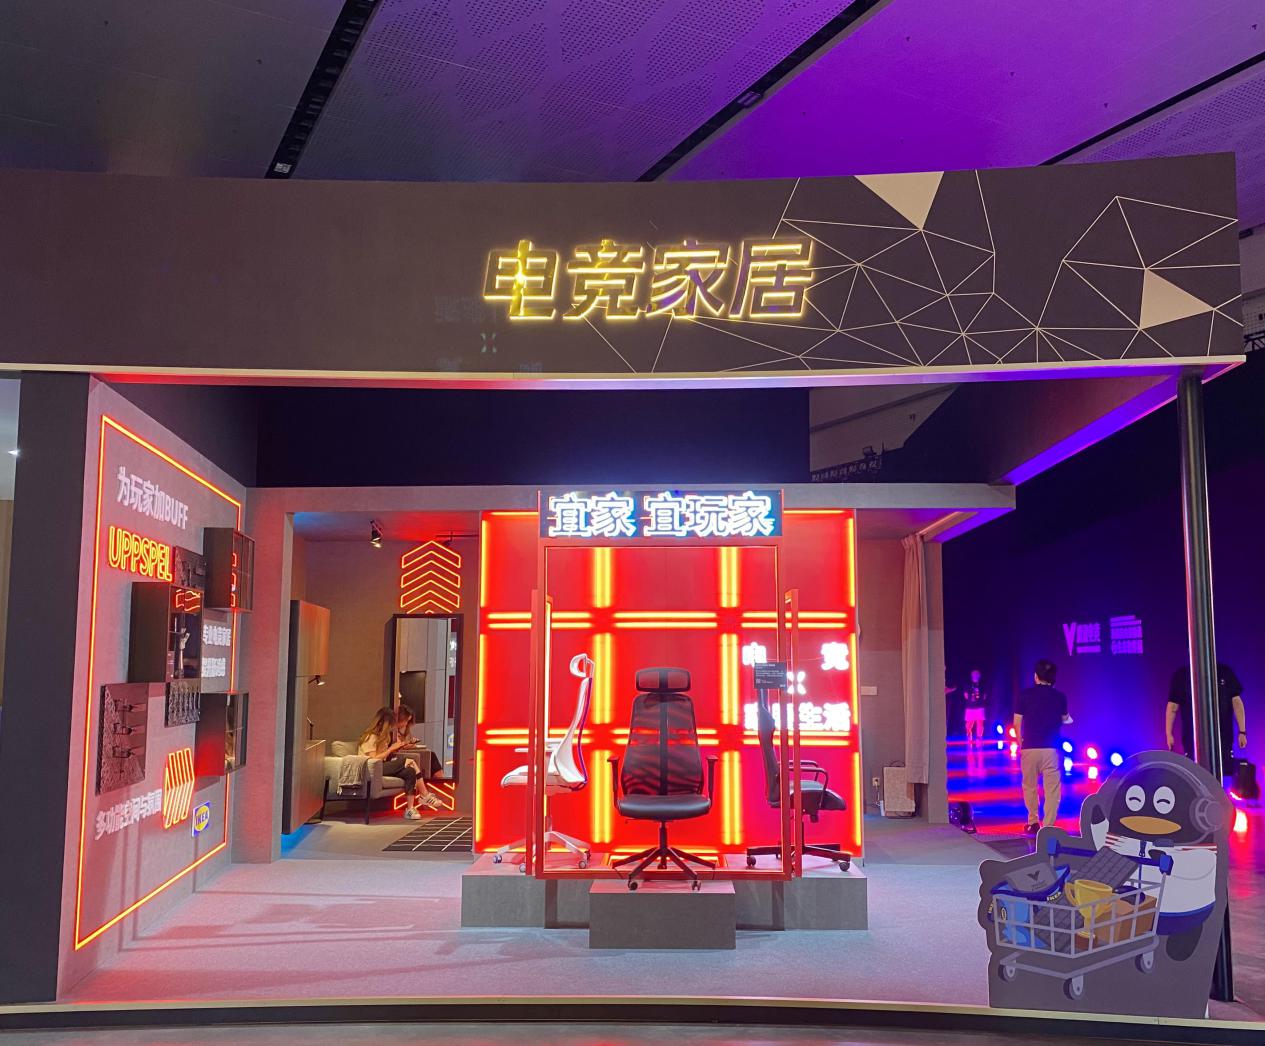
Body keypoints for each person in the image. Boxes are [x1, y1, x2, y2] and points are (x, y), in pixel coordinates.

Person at [1014, 658, 1071, 836]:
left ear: (1035, 676)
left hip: (1029, 747)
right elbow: (1065, 719)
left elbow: (1016, 723)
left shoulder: (1024, 695)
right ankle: (1048, 826)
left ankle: (1033, 822)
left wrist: (1020, 744)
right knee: (1052, 789)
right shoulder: (1060, 696)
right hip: (1051, 749)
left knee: (1029, 786)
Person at [358, 706, 441, 819]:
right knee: (409, 761)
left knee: (410, 771)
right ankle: (425, 795)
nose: (392, 728)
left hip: (382, 766)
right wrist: (390, 749)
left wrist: (397, 748)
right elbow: (373, 760)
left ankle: (410, 809)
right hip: (371, 769)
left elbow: (385, 756)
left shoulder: (384, 737)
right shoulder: (370, 737)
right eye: (390, 725)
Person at [1166, 663, 1247, 777]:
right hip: (1193, 738)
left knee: (1222, 771)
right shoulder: (1182, 675)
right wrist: (1169, 734)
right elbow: (1173, 707)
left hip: (1222, 737)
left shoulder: (1224, 672)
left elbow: (1237, 703)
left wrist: (1242, 732)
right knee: (1195, 774)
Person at [962, 668, 987, 744]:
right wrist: (971, 700)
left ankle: (979, 737)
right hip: (970, 706)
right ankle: (969, 735)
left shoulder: (982, 685)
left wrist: (979, 700)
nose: (976, 675)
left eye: (977, 674)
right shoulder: (968, 684)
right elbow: (966, 695)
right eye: (974, 674)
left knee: (980, 722)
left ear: (979, 676)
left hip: (980, 706)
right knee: (969, 723)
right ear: (972, 675)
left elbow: (985, 695)